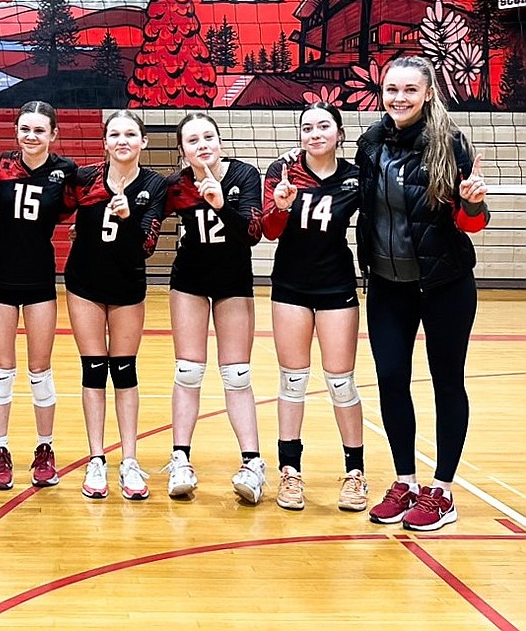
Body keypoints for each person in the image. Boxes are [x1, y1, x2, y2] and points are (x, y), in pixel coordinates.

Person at [356, 56, 489, 532]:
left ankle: (442, 491)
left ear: (428, 93)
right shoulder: (370, 143)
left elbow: (472, 222)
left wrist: (473, 203)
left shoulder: (450, 145)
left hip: (444, 284)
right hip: (388, 286)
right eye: (392, 89)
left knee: (446, 381)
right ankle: (405, 481)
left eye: (410, 90)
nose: (399, 98)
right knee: (391, 379)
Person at [262, 102, 368, 512]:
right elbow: (269, 231)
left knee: (341, 381)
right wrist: (283, 205)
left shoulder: (355, 179)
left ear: (339, 133)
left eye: (324, 126)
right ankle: (290, 472)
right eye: (307, 127)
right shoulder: (283, 171)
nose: (315, 133)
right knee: (293, 380)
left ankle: (355, 472)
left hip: (336, 285)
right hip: (290, 286)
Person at [162, 112, 266, 504]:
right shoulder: (175, 186)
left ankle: (253, 463)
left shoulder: (244, 176)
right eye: (193, 140)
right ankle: (180, 459)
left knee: (237, 374)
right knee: (188, 371)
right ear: (182, 150)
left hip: (233, 282)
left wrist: (222, 204)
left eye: (209, 136)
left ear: (220, 141)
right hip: (189, 280)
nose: (202, 145)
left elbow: (253, 235)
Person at [63, 110, 167, 500]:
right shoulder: (84, 179)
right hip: (84, 284)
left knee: (124, 372)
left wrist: (127, 217)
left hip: (127, 286)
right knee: (93, 370)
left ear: (143, 142)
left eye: (130, 134)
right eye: (115, 134)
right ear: (105, 142)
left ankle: (130, 459)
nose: (122, 140)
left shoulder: (154, 185)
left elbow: (147, 245)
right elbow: (51, 206)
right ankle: (96, 458)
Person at [0, 101, 78, 491]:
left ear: (53, 134)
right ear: (16, 131)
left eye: (39, 130)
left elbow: (83, 205)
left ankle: (44, 449)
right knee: (3, 372)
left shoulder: (64, 172)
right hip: (0, 278)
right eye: (25, 129)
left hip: (39, 280)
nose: (31, 136)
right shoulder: (0, 165)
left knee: (40, 371)